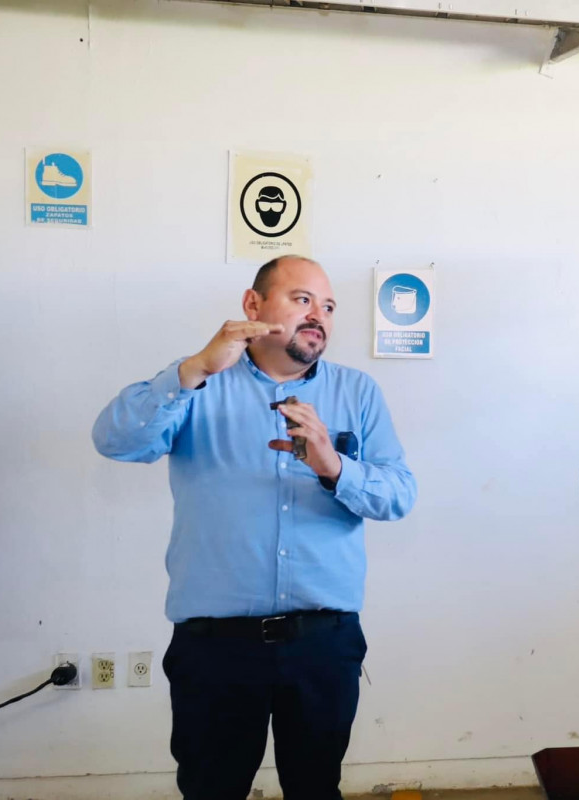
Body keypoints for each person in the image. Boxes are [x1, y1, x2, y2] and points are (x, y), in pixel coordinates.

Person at [93, 255, 417, 800]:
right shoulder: (197, 384)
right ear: (252, 304)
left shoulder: (358, 392)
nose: (318, 316)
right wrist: (193, 369)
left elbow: (399, 494)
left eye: (328, 306)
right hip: (215, 648)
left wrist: (334, 467)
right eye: (302, 299)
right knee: (211, 789)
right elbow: (115, 441)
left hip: (323, 644)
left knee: (316, 789)